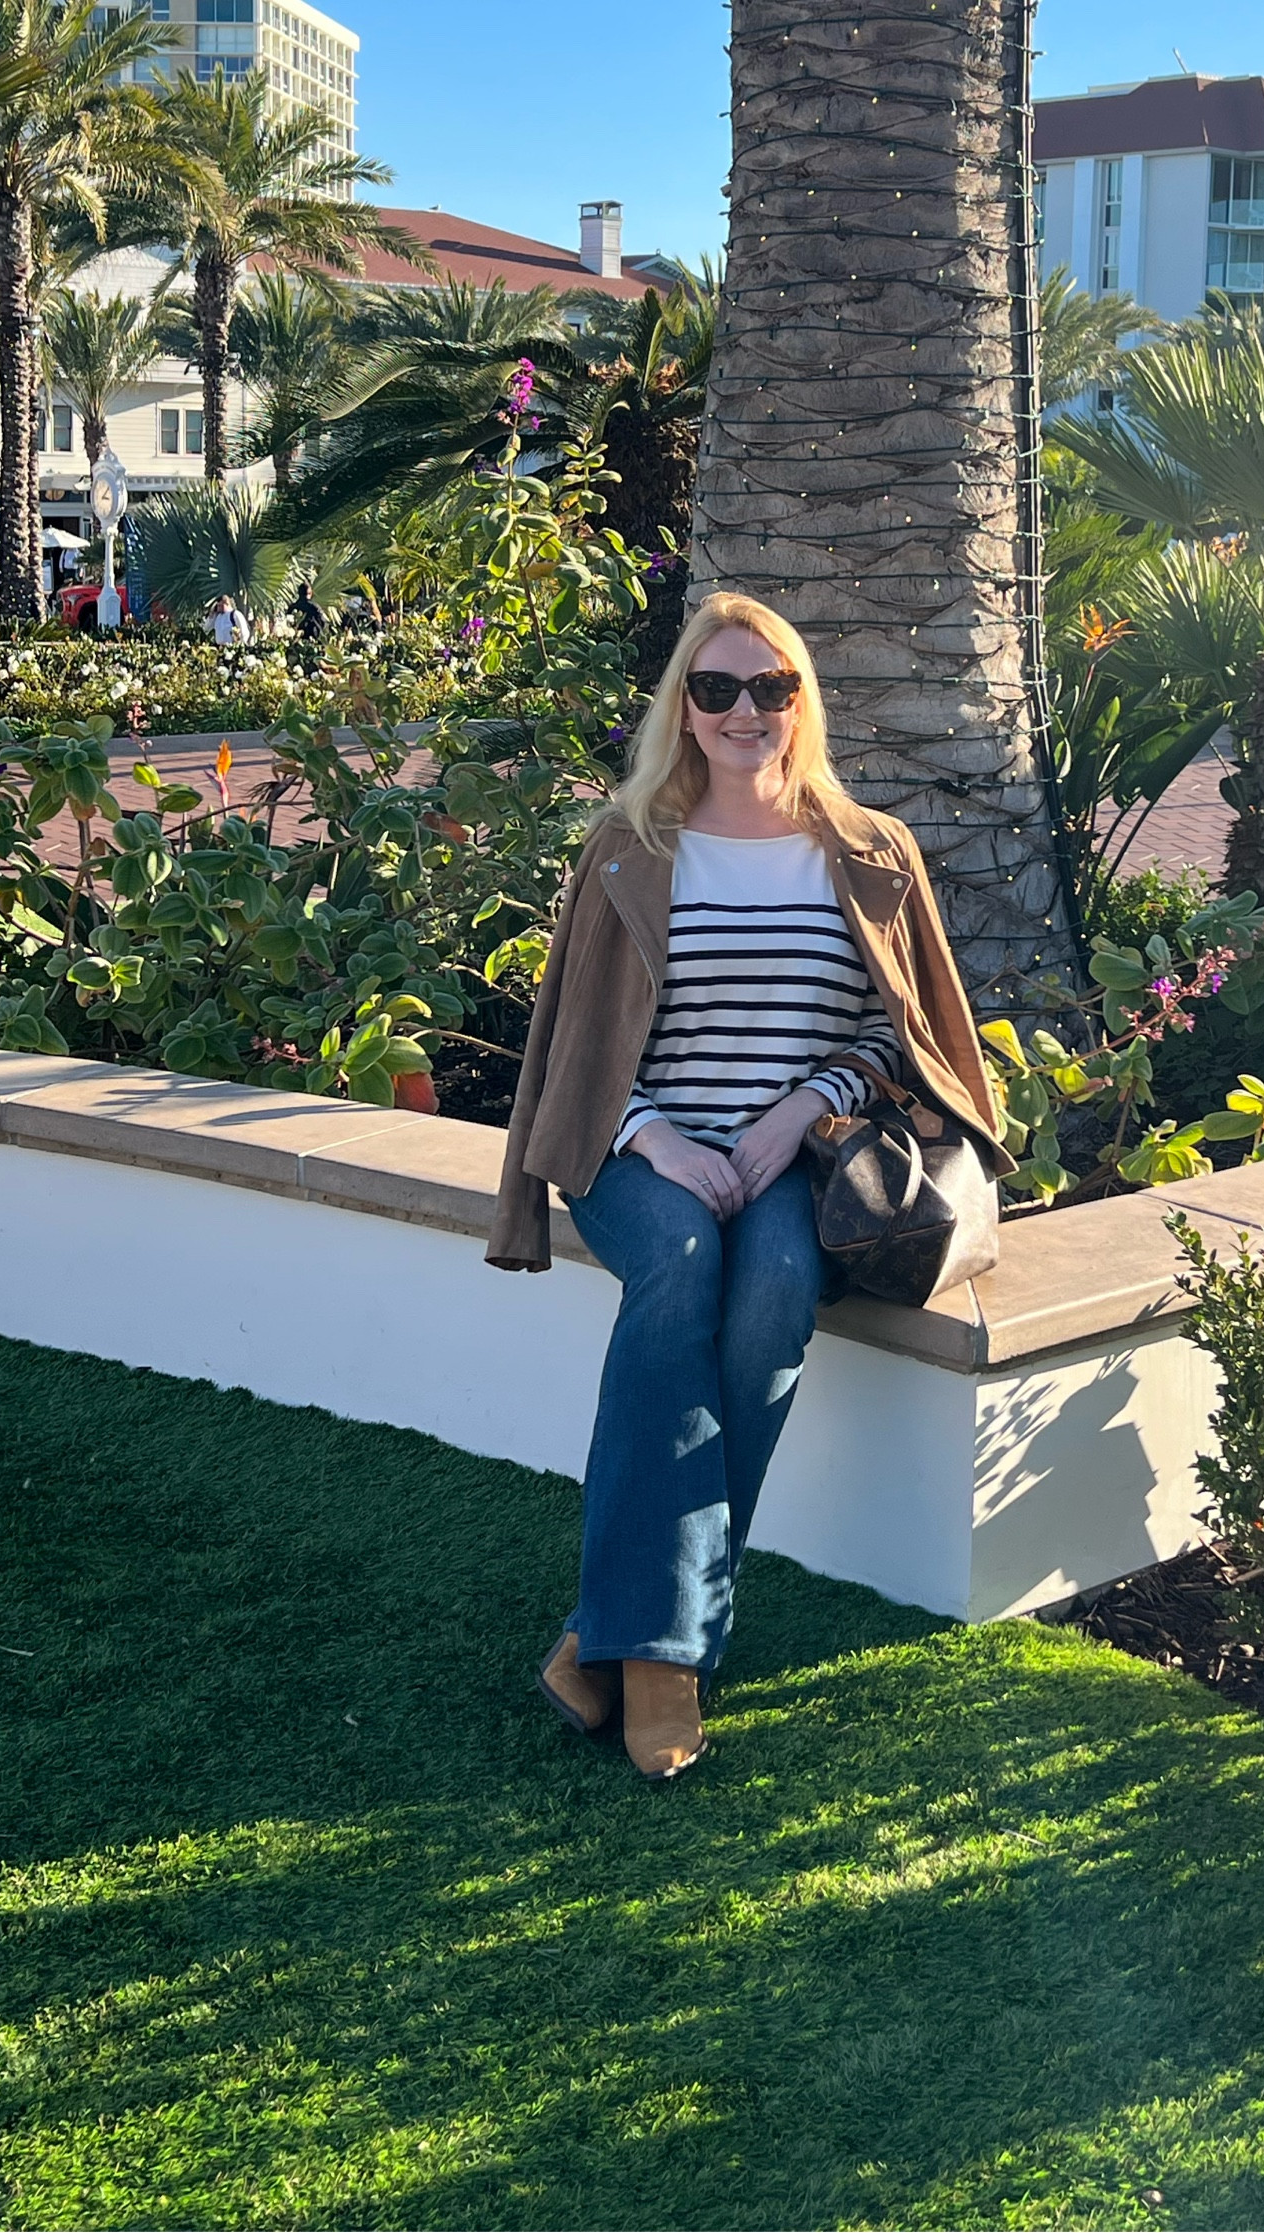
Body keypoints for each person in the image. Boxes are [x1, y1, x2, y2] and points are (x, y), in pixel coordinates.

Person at [485, 591, 1008, 1782]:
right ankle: (668, 1661)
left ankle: (604, 1635)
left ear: (802, 704)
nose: (744, 711)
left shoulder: (869, 850)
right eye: (716, 689)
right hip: (642, 1153)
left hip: (796, 1156)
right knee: (676, 1263)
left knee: (774, 1276)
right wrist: (654, 1135)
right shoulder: (629, 843)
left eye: (771, 688)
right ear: (683, 705)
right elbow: (576, 1037)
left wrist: (800, 1110)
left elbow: (905, 1037)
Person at [291, 579, 327, 643]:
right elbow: (323, 622)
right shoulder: (315, 607)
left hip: (292, 639)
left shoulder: (292, 607)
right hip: (311, 640)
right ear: (310, 593)